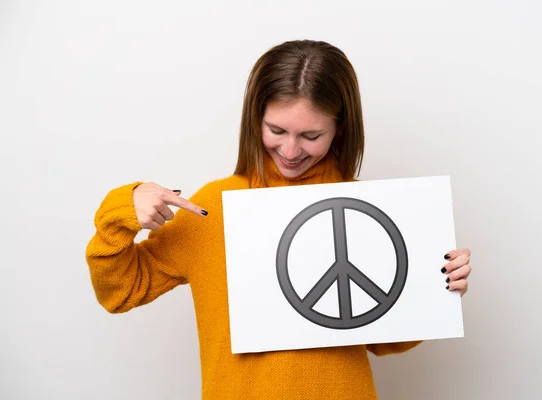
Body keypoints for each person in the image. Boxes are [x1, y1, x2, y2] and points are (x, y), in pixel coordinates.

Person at [85, 39, 472, 399]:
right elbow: (119, 292)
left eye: (310, 135)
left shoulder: (366, 211)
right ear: (255, 119)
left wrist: (436, 285)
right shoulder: (213, 207)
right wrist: (122, 211)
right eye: (276, 130)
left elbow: (387, 341)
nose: (289, 150)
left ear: (339, 128)